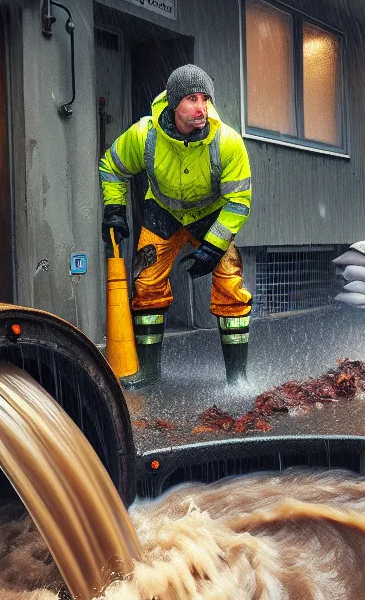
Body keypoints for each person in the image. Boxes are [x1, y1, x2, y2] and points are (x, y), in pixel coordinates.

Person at [99, 64, 253, 388]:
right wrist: (114, 210)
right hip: (162, 212)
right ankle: (149, 370)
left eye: (205, 99)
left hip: (210, 215)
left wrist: (214, 246)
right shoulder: (145, 135)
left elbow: (239, 201)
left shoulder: (227, 142)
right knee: (146, 284)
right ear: (173, 103)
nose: (201, 108)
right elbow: (112, 166)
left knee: (230, 285)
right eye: (192, 99)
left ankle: (237, 378)